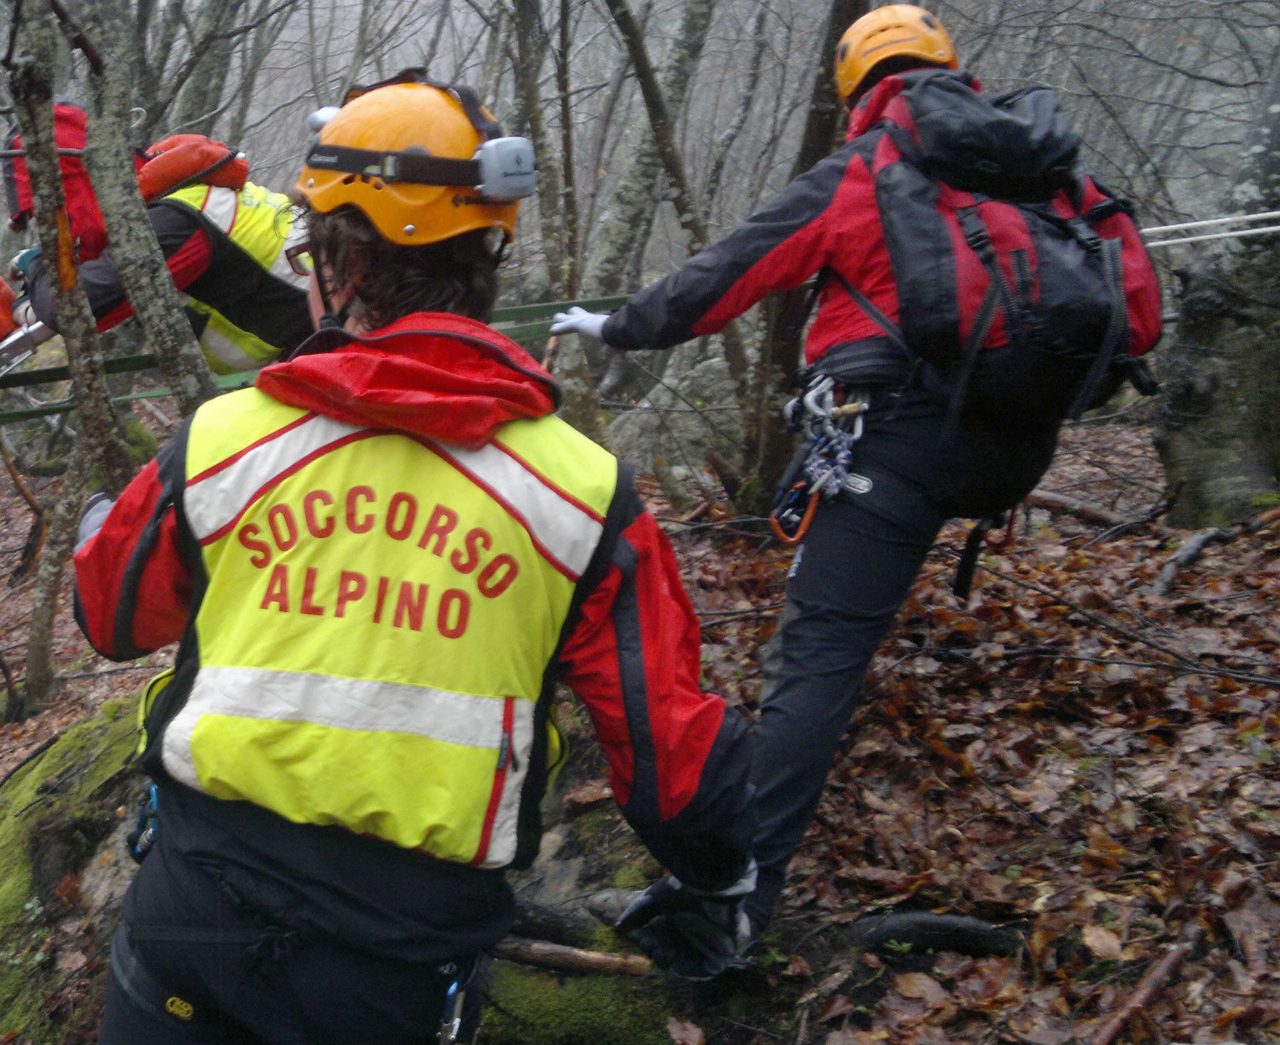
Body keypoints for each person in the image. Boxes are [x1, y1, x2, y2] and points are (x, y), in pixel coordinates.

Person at [74, 73, 756, 1043]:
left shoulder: (222, 442)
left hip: (190, 928)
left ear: (339, 260)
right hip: (394, 969)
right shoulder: (583, 494)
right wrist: (722, 877)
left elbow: (110, 619)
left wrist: (101, 525)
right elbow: (669, 757)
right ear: (485, 253)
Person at [553, 4, 1159, 946]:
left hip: (893, 444)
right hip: (1014, 446)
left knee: (818, 658)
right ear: (957, 71)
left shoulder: (869, 169)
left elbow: (725, 276)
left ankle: (735, 902)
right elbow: (1142, 318)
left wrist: (617, 324)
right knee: (834, 622)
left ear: (853, 96)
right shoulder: (1051, 171)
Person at [6, 104, 312, 373]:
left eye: (58, 217)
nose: (62, 231)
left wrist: (39, 267)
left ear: (78, 194)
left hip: (317, 353)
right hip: (309, 344)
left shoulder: (176, 223)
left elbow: (74, 313)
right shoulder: (181, 197)